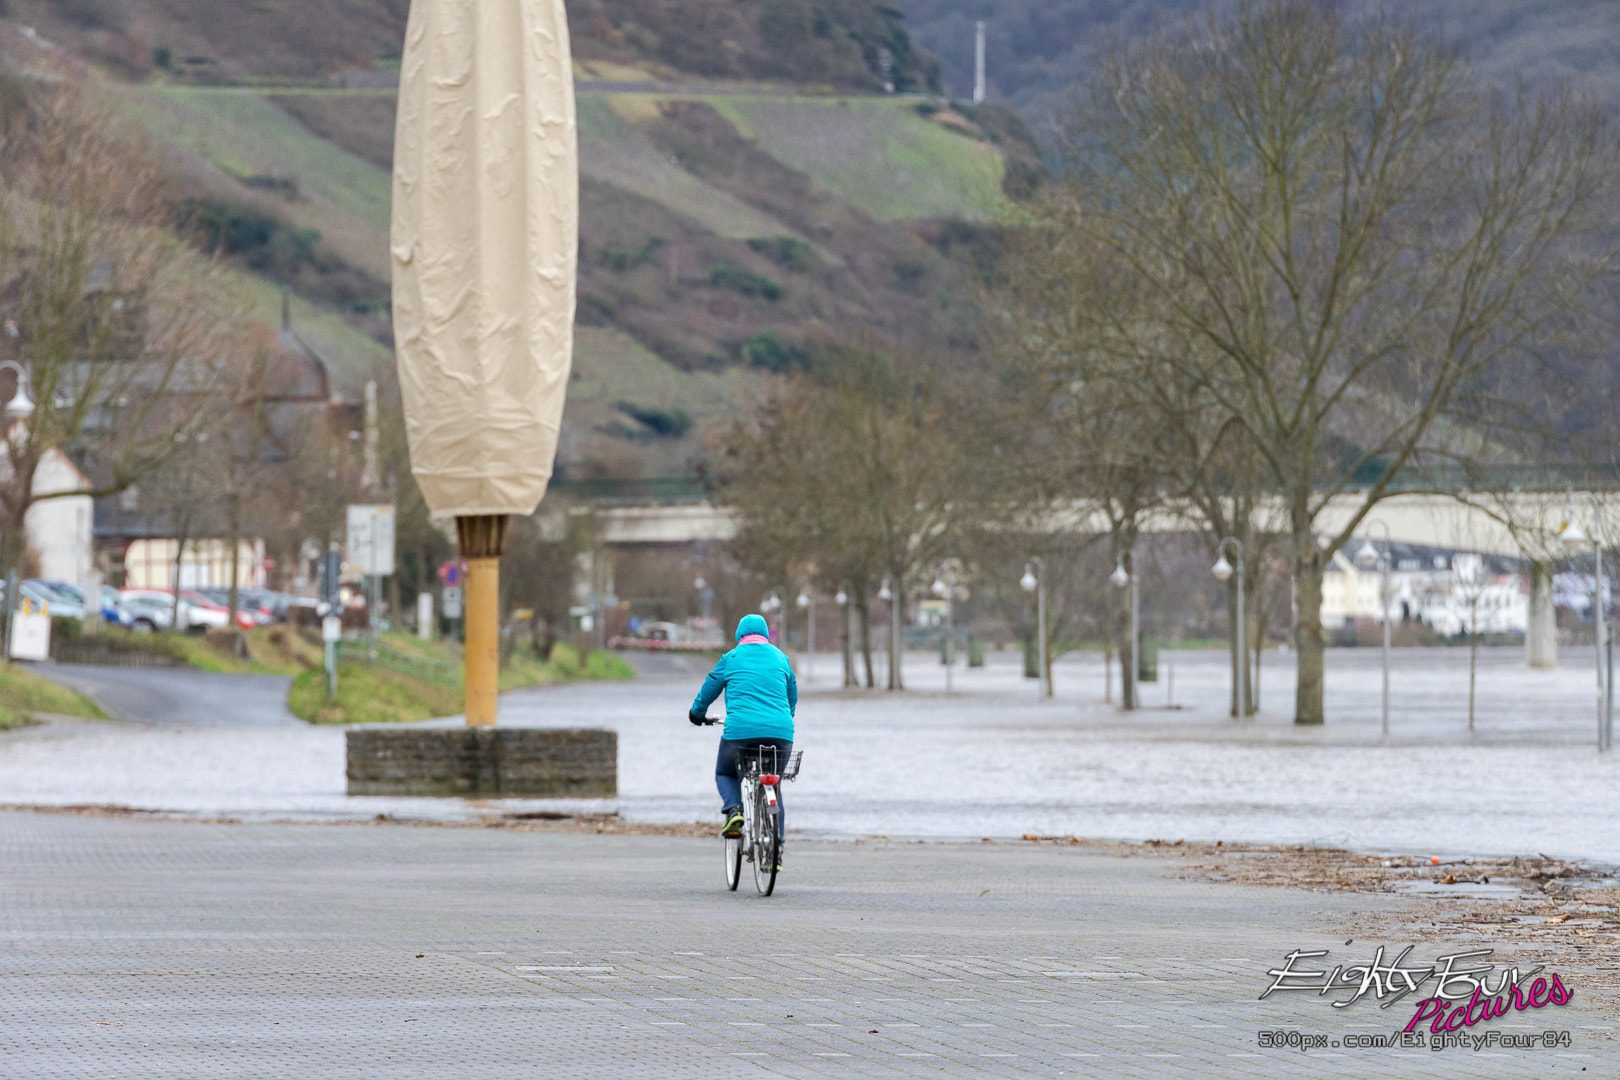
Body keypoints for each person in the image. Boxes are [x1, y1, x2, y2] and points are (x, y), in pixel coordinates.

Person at [689, 613, 796, 858]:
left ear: (739, 636)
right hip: (781, 733)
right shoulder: (782, 658)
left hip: (740, 732)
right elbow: (792, 697)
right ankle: (775, 852)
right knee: (775, 786)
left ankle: (735, 809)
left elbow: (709, 689)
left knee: (725, 772)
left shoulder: (731, 658)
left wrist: (697, 714)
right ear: (766, 635)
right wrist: (783, 720)